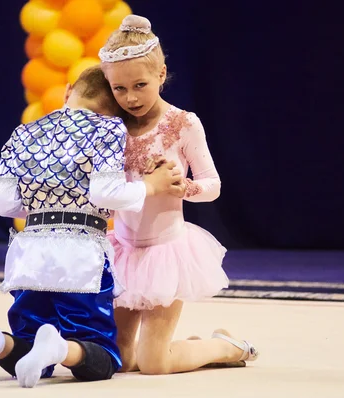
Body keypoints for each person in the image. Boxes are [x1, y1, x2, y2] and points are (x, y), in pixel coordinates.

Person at [0, 65, 183, 388]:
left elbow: (2, 203)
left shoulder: (24, 133)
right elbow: (105, 192)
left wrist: (46, 202)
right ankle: (60, 347)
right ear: (116, 113)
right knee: (104, 355)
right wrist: (151, 185)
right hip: (80, 253)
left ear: (68, 92)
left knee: (28, 338)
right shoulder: (108, 129)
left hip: (30, 249)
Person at [98, 15, 259, 375]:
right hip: (123, 248)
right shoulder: (108, 127)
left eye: (140, 84)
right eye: (119, 89)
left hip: (166, 251)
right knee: (120, 361)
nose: (130, 97)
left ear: (161, 74)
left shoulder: (183, 123)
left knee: (154, 364)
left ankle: (227, 346)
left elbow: (213, 184)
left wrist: (182, 187)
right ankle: (198, 347)